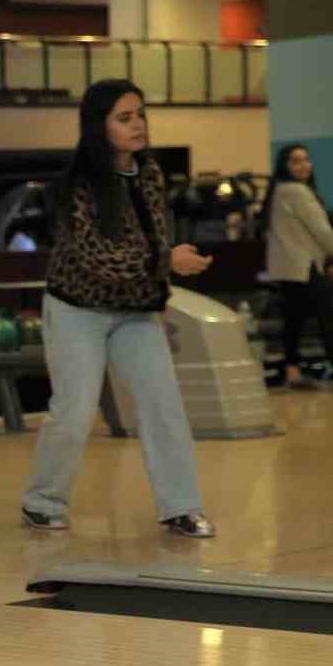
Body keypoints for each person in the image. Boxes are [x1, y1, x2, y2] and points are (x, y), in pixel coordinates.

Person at [21, 79, 215, 539]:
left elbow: (150, 239)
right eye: (124, 118)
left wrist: (159, 296)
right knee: (75, 407)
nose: (138, 125)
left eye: (141, 115)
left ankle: (181, 507)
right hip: (76, 309)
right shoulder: (76, 185)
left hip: (136, 312)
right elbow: (99, 257)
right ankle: (41, 502)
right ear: (98, 126)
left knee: (163, 403)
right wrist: (168, 261)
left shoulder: (149, 174)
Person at [260, 143, 333, 389]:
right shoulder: (297, 191)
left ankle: (292, 371)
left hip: (289, 268)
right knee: (328, 315)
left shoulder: (278, 190)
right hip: (303, 265)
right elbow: (320, 228)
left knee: (294, 319)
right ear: (285, 166)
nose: (304, 165)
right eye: (296, 161)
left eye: (306, 160)